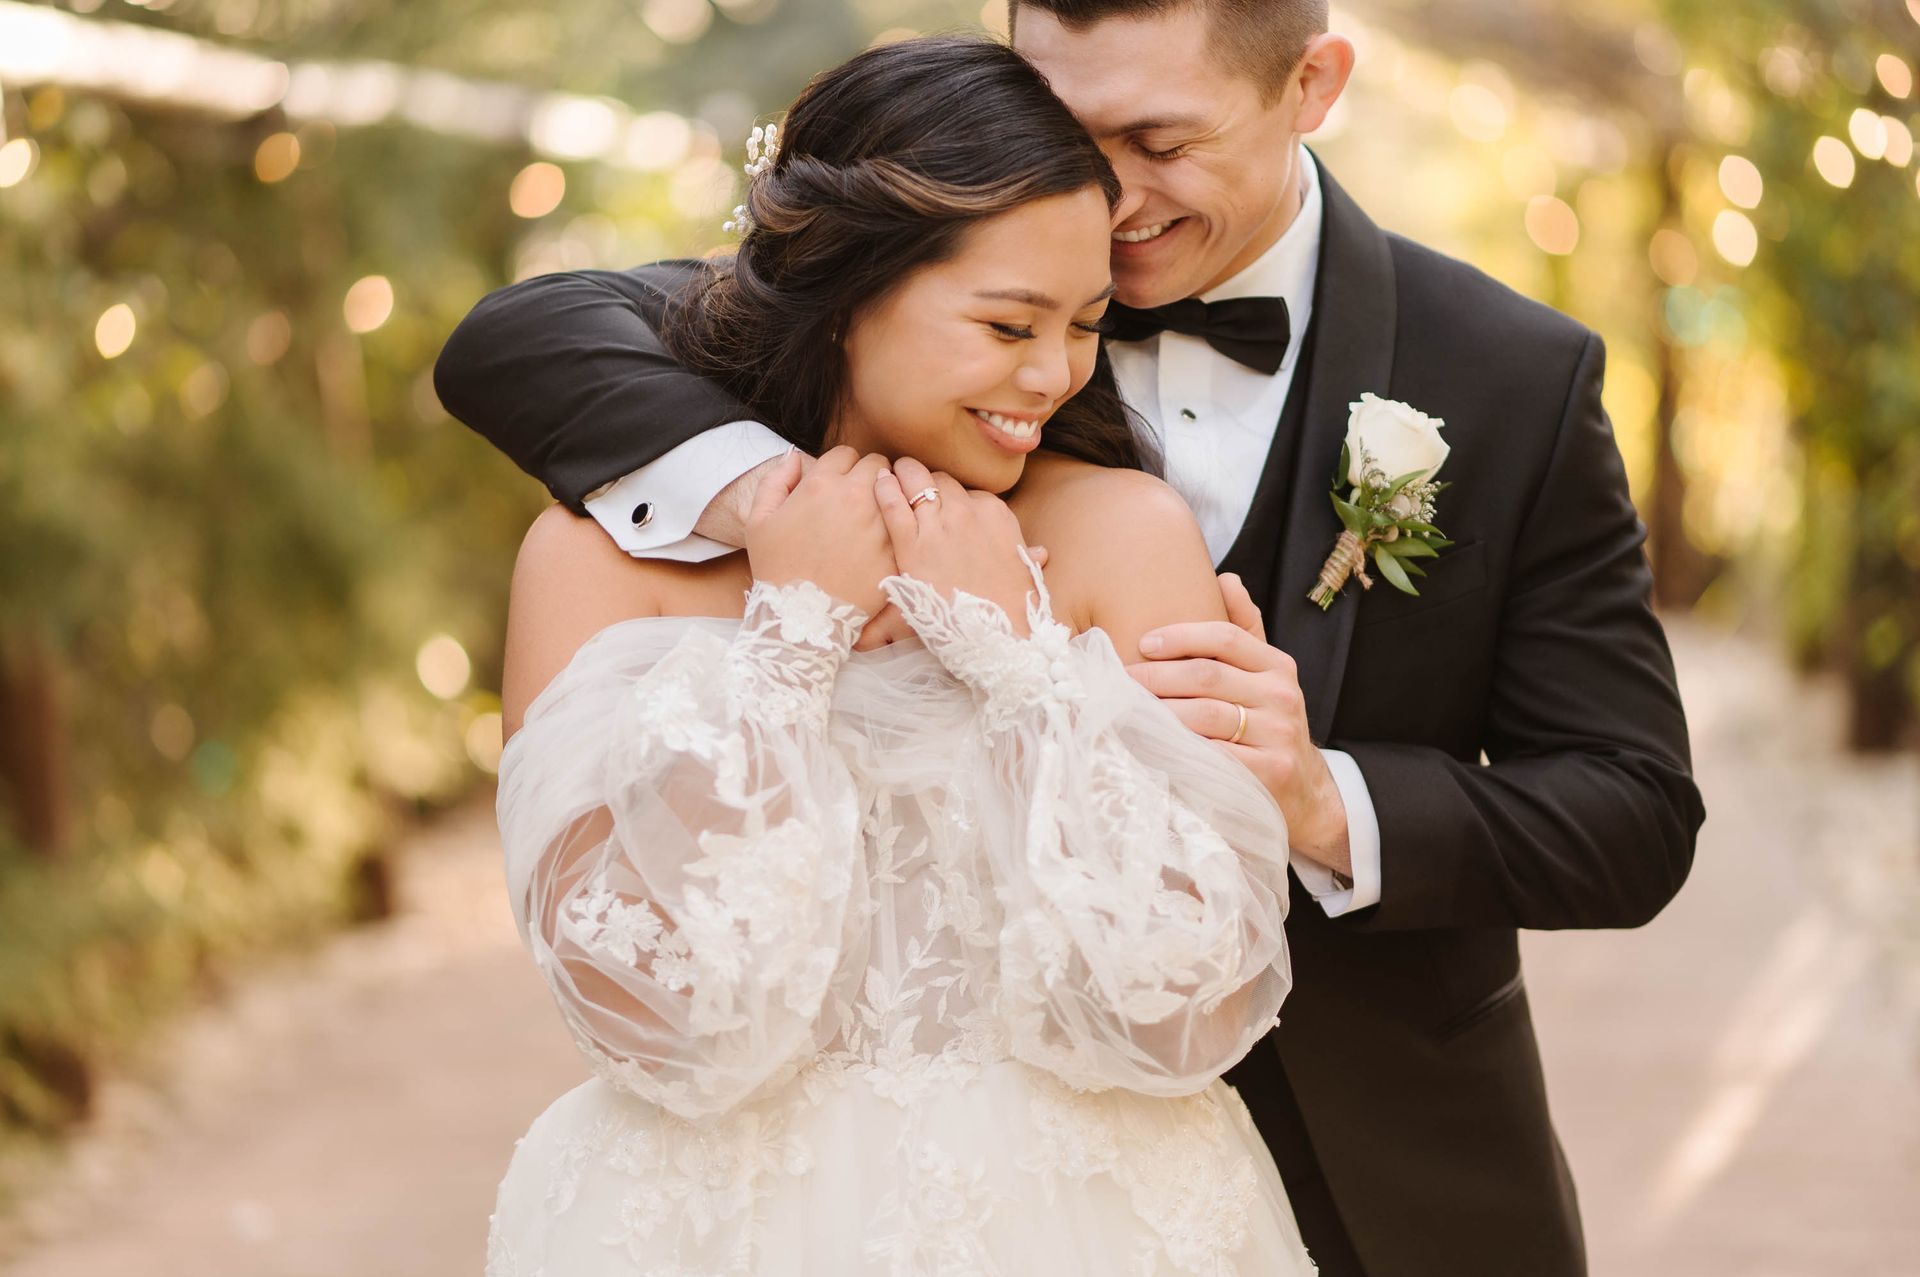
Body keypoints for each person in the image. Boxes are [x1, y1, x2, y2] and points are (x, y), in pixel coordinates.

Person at [440, 4, 1708, 1273]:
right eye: (1061, 122)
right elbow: (519, 334)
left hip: (1337, 1174)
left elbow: (1635, 808)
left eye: (1156, 138)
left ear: (1311, 83)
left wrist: (1322, 798)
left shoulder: (1509, 374)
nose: (1100, 187)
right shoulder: (935, 238)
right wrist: (791, 534)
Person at [479, 35, 1319, 1276]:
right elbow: (649, 1018)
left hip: (1091, 1228)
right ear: (848, 292)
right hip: (711, 1230)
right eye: (1005, 322)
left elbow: (1185, 1007)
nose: (1052, 375)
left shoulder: (1121, 533)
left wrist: (1020, 664)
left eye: (1085, 323)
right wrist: (794, 636)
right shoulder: (593, 561)